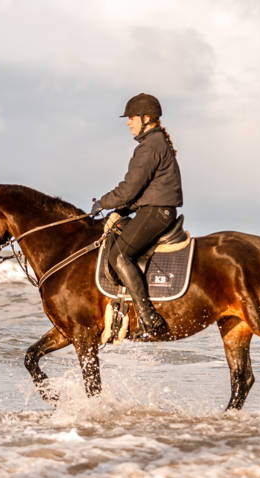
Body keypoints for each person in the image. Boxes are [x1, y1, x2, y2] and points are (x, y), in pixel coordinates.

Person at [91, 93, 183, 340]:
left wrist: (103, 203)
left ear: (147, 118)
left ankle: (149, 318)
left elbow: (129, 189)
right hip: (151, 208)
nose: (128, 122)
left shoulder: (150, 146)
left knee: (119, 254)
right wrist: (119, 210)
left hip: (157, 212)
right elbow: (140, 193)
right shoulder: (154, 143)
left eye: (131, 117)